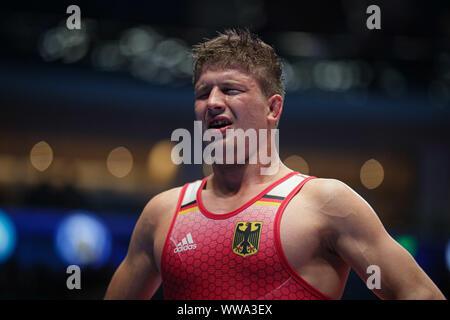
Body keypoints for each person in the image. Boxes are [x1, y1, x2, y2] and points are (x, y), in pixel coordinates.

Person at [104, 29, 446, 300]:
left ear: (273, 109)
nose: (212, 103)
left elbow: (420, 294)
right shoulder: (162, 213)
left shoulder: (325, 204)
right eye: (202, 93)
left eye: (229, 89)